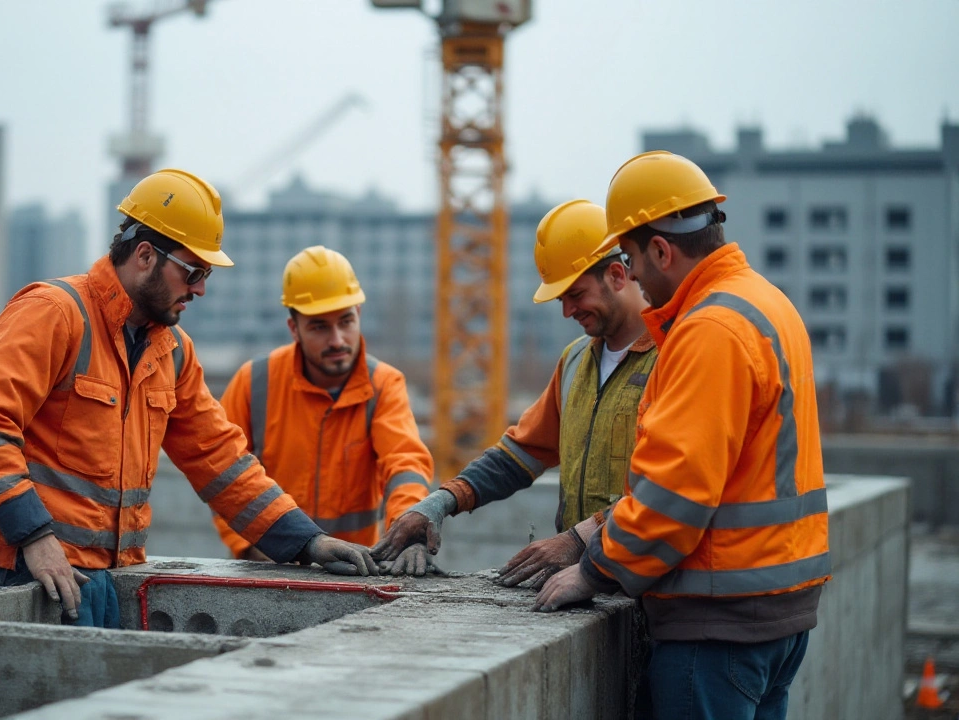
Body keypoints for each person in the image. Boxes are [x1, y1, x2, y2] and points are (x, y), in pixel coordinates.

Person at [0, 169, 378, 627]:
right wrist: (34, 537)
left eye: (206, 274)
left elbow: (220, 460)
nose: (200, 289)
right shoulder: (55, 314)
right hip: (27, 569)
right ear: (145, 255)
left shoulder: (171, 352)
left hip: (108, 576)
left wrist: (305, 541)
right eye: (192, 272)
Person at [535, 151, 831, 719]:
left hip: (719, 627)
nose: (636, 279)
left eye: (631, 258)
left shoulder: (709, 329)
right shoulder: (768, 303)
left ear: (662, 250)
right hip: (778, 614)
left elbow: (673, 496)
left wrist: (594, 569)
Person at [371, 200, 656, 580]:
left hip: (652, 582)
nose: (567, 311)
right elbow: (518, 455)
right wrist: (440, 502)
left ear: (618, 276)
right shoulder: (575, 362)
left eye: (576, 294)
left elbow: (667, 489)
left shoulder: (671, 356)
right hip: (586, 581)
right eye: (561, 300)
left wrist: (576, 541)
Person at [213, 246, 433, 571]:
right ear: (294, 328)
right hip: (270, 565)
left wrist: (410, 528)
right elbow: (222, 474)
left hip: (356, 570)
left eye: (346, 321)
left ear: (359, 314)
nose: (337, 339)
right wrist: (249, 547)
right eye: (319, 326)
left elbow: (405, 464)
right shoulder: (254, 382)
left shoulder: (384, 384)